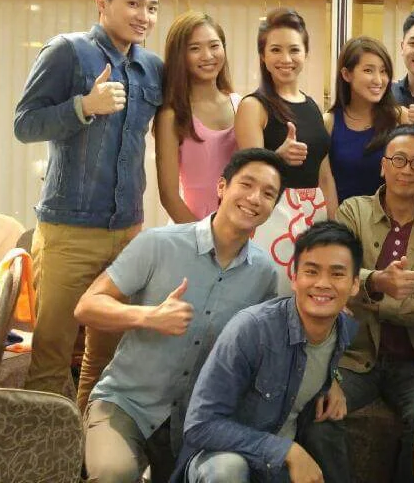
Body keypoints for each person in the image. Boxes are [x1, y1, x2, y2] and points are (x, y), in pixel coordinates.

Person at [77, 148, 283, 483]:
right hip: (127, 403)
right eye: (246, 184)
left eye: (268, 193)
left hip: (199, 420)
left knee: (228, 473)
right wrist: (148, 317)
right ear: (222, 187)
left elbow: (265, 353)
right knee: (115, 474)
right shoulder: (158, 243)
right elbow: (87, 306)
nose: (254, 198)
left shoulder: (264, 275)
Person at [14, 0, 164, 409]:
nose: (144, 16)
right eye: (133, 3)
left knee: (107, 359)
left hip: (128, 232)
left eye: (152, 7)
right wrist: (85, 106)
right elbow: (25, 124)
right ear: (102, 2)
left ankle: (87, 445)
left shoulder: (152, 67)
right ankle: (43, 451)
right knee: (51, 356)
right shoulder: (67, 51)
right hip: (68, 232)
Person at [302, 124, 414, 483]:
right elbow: (335, 275)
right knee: (318, 416)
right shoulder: (352, 211)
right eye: (399, 159)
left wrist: (371, 300)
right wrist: (376, 281)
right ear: (383, 165)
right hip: (355, 356)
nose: (407, 170)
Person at [174, 221, 361, 483]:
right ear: (294, 278)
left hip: (277, 468)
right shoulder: (252, 330)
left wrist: (333, 382)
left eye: (337, 274)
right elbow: (200, 425)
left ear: (354, 284)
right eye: (311, 271)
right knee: (228, 470)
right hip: (222, 458)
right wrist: (286, 451)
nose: (322, 284)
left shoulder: (343, 330)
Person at [235, 7, 338, 294]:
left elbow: (325, 174)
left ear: (306, 53)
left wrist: (335, 224)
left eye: (294, 50)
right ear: (263, 56)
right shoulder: (253, 106)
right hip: (273, 212)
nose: (286, 59)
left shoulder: (313, 106)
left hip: (316, 211)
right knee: (277, 294)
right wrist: (277, 157)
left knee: (313, 294)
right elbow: (250, 175)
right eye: (275, 50)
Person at [155, 11, 241, 222]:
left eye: (214, 46)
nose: (208, 56)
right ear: (180, 56)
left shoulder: (242, 105)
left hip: (243, 227)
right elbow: (169, 197)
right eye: (195, 48)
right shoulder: (171, 115)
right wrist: (205, 237)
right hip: (192, 228)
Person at [326, 36, 410, 203]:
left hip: (390, 216)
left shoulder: (400, 117)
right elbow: (326, 183)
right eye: (368, 70)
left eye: (383, 71)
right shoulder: (329, 122)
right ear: (346, 74)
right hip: (344, 216)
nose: (378, 80)